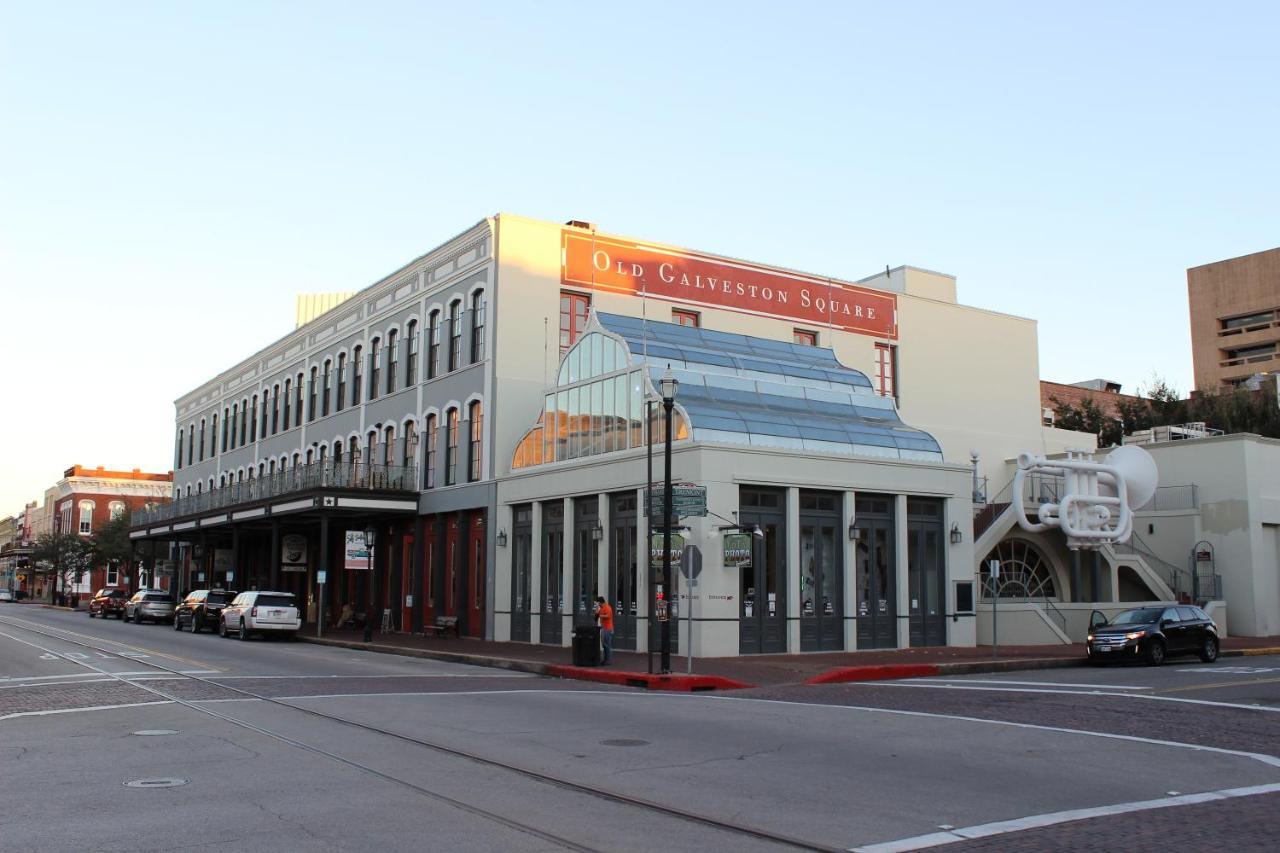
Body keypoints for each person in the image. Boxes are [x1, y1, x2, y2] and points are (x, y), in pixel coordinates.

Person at [594, 595, 614, 665]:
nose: (597, 604)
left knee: (607, 645)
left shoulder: (607, 607)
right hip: (603, 629)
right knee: (604, 645)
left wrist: (600, 615)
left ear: (600, 602)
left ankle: (608, 660)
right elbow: (595, 618)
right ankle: (605, 659)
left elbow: (608, 616)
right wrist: (596, 608)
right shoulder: (601, 608)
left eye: (597, 603)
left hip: (608, 629)